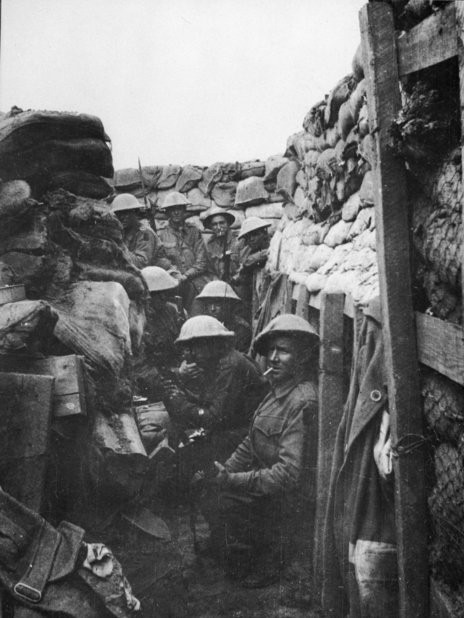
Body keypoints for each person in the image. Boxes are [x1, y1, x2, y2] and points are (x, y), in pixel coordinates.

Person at [198, 314, 319, 588]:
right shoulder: (277, 390)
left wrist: (234, 481)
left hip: (287, 500)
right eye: (271, 351)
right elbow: (251, 441)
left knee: (225, 504)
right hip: (267, 486)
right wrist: (226, 469)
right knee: (209, 490)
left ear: (302, 357)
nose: (273, 358)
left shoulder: (303, 401)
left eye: (284, 351)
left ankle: (266, 561)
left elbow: (289, 475)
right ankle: (233, 548)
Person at [162, 315, 268, 475]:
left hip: (247, 439)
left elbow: (214, 418)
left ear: (212, 344)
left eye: (194, 347)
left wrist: (181, 403)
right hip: (236, 431)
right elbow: (213, 402)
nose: (189, 354)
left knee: (181, 463)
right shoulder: (220, 361)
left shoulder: (230, 365)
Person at [133, 266, 185, 402]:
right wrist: (174, 374)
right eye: (157, 294)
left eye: (165, 293)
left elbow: (182, 345)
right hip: (150, 381)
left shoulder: (171, 311)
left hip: (176, 373)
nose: (163, 298)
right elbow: (138, 365)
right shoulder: (136, 319)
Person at [157, 191, 215, 311]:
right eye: (172, 209)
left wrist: (186, 276)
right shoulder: (161, 234)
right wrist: (174, 273)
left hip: (194, 281)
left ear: (184, 211)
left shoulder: (194, 232)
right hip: (172, 282)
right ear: (167, 212)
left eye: (179, 208)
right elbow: (160, 259)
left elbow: (202, 261)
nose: (176, 212)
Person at [111, 193, 174, 270]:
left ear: (135, 212)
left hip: (159, 273)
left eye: (126, 213)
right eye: (119, 214)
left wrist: (120, 246)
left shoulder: (145, 233)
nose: (122, 217)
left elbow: (142, 263)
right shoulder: (122, 231)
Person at [195, 280, 252, 354]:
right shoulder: (204, 326)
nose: (212, 309)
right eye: (209, 304)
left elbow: (240, 358)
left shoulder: (240, 329)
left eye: (217, 304)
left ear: (228, 304)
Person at [232, 216, 271, 323]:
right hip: (249, 293)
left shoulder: (272, 246)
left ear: (264, 233)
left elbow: (264, 255)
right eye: (248, 237)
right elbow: (245, 263)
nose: (251, 239)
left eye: (255, 235)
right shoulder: (247, 249)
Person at [202, 206, 241, 282]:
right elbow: (209, 269)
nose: (219, 227)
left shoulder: (238, 240)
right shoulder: (210, 245)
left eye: (222, 223)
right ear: (211, 227)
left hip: (238, 282)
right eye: (214, 224)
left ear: (228, 223)